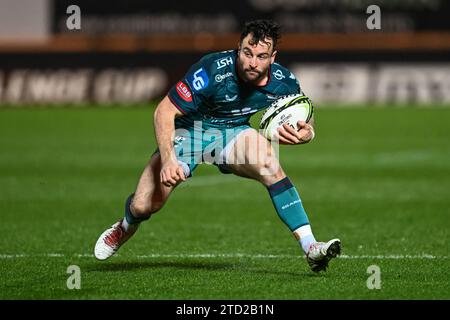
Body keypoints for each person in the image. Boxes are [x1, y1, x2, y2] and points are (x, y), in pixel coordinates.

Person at [94, 20, 341, 272]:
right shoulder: (212, 69)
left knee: (269, 164)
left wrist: (308, 133)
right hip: (190, 132)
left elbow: (303, 115)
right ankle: (125, 226)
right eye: (247, 53)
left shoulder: (284, 81)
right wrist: (169, 159)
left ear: (273, 57)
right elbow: (163, 111)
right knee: (145, 205)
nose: (252, 62)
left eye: (261, 56)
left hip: (233, 133)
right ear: (238, 48)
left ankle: (310, 248)